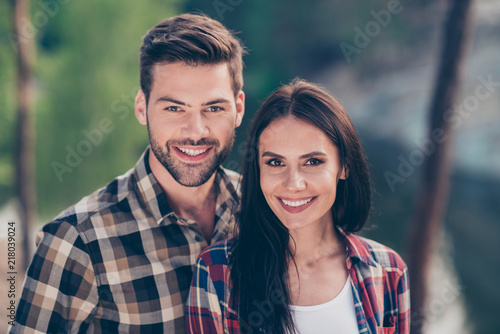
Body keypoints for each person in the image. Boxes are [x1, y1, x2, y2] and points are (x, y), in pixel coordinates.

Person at [12, 13, 245, 333]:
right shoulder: (75, 239)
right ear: (141, 107)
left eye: (214, 108)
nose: (196, 130)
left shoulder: (267, 210)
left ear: (239, 109)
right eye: (174, 108)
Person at [185, 79, 410, 334]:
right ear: (257, 168)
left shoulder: (389, 270)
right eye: (275, 163)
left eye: (312, 161)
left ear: (344, 166)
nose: (293, 184)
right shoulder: (218, 271)